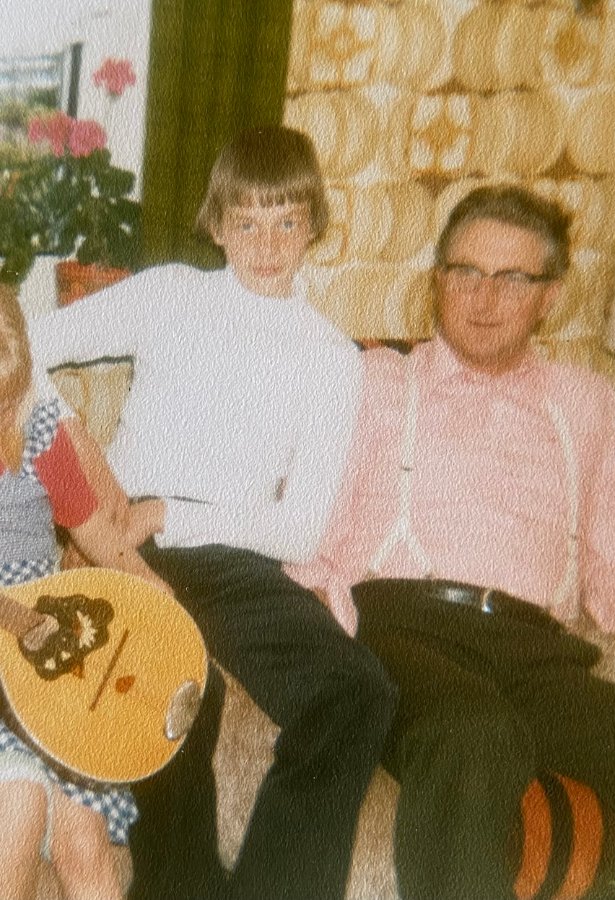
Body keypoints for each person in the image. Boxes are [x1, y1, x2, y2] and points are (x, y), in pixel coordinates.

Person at [289, 185, 615, 900]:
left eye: (512, 278)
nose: (483, 297)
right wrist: (321, 618)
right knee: (476, 734)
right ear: (437, 279)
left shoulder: (584, 402)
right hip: (401, 631)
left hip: (533, 653)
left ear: (549, 296)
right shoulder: (372, 382)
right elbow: (301, 530)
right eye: (464, 271)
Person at [28, 125, 396, 900]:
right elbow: (25, 347)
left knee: (357, 691)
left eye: (286, 221)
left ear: (313, 225)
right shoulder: (170, 295)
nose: (266, 245)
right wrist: (75, 446)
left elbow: (299, 528)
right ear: (217, 224)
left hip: (232, 558)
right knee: (179, 687)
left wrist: (168, 511)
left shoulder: (331, 359)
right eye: (246, 223)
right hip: (125, 551)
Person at [0, 289, 174, 900]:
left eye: (7, 396)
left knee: (85, 845)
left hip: (50, 651)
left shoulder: (38, 429)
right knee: (17, 813)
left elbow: (95, 531)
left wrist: (152, 588)